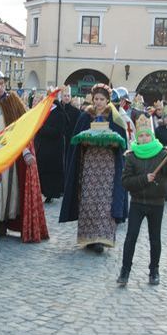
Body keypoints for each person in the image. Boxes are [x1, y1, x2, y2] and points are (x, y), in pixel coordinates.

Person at [0, 66, 48, 241]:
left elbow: (23, 128)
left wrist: (25, 152)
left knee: (6, 189)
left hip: (8, 154)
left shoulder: (13, 101)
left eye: (2, 84)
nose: (0, 88)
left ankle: (2, 223)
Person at [60, 83, 128, 253]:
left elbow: (122, 143)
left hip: (108, 165)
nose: (98, 102)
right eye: (96, 99)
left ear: (108, 100)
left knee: (105, 201)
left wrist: (113, 142)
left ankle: (101, 238)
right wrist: (86, 141)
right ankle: (88, 237)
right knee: (89, 200)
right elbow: (76, 141)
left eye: (102, 99)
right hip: (89, 164)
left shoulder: (115, 117)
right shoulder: (85, 117)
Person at [117, 114, 167, 286]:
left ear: (152, 136)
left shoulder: (162, 153)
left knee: (155, 238)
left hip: (156, 203)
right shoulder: (131, 155)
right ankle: (125, 271)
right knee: (131, 237)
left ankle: (154, 271)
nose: (144, 139)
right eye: (141, 136)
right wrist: (144, 179)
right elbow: (125, 181)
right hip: (137, 202)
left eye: (147, 135)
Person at [34, 89, 66, 203]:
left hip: (53, 148)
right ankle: (43, 191)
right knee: (42, 170)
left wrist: (41, 128)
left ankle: (50, 193)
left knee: (51, 172)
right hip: (42, 146)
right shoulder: (44, 111)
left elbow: (58, 132)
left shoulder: (59, 113)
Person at [60, 85, 80, 157]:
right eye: (65, 96)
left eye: (68, 96)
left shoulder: (76, 111)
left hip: (71, 139)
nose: (67, 97)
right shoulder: (57, 110)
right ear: (61, 97)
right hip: (59, 140)